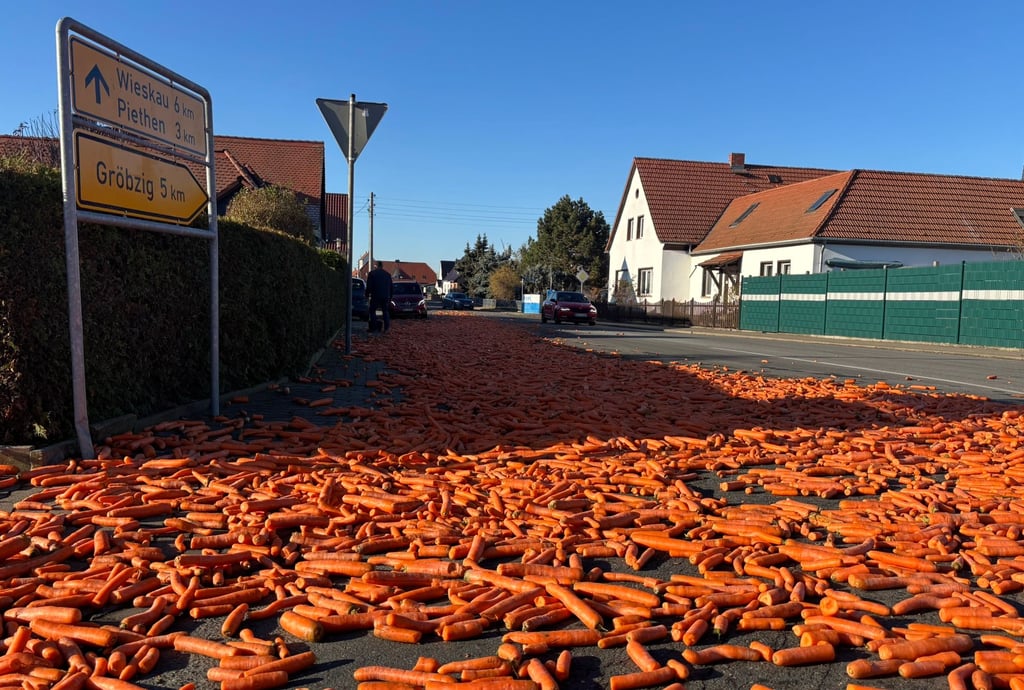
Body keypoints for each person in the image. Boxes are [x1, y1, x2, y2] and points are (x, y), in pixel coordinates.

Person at [365, 260, 393, 334]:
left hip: (375, 295)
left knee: (372, 311)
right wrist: (390, 297)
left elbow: (369, 286)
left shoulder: (372, 274)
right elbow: (391, 287)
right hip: (385, 296)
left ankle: (374, 328)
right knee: (385, 311)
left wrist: (367, 295)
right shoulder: (388, 274)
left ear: (376, 266)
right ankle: (386, 328)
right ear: (382, 266)